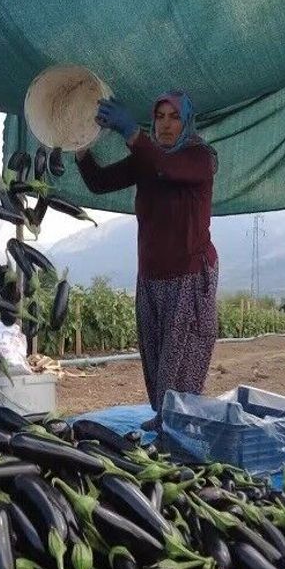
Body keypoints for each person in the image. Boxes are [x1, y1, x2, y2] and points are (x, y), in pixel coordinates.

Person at [75, 92, 219, 430]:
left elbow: (168, 168)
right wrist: (79, 146)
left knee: (180, 359)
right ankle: (164, 418)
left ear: (187, 122)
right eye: (160, 117)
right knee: (155, 358)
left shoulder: (199, 157)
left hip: (188, 276)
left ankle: (180, 424)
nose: (165, 124)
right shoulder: (147, 159)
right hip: (152, 275)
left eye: (174, 117)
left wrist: (131, 133)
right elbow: (99, 183)